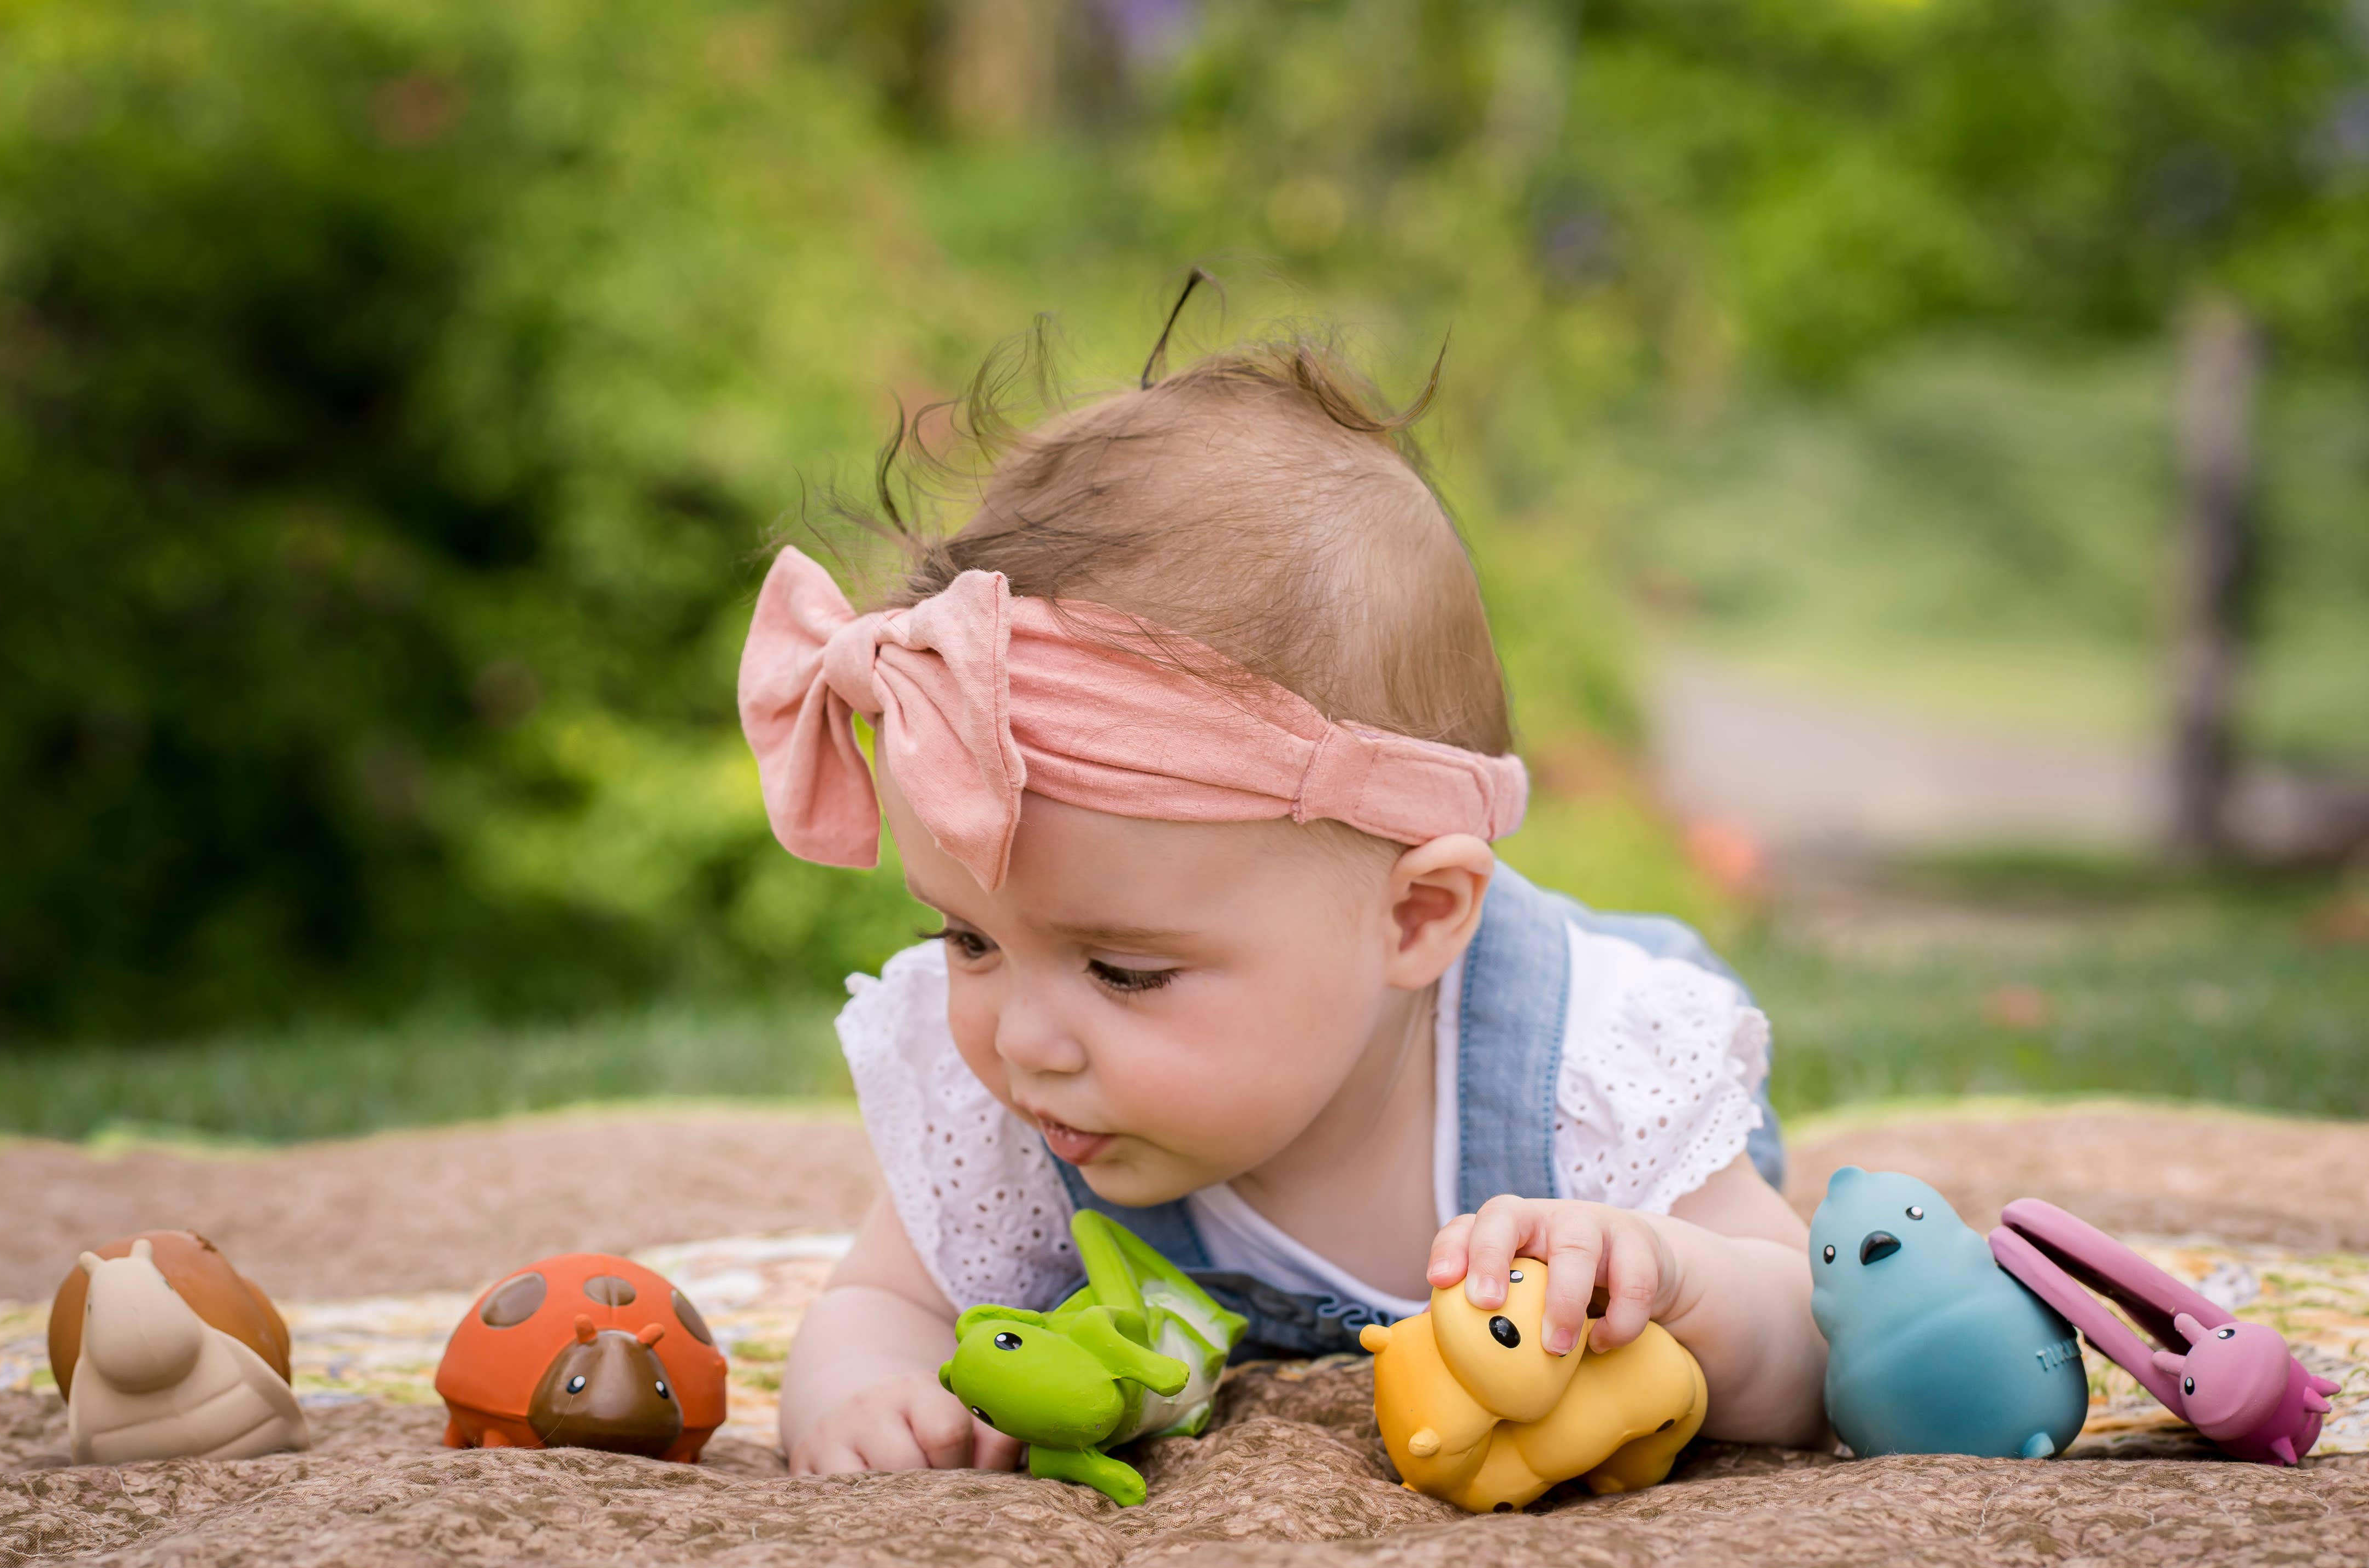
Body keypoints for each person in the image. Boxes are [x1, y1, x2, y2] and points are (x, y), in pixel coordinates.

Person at [740, 325, 1827, 1477]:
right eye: (969, 938)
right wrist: (865, 1399)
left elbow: (1812, 1356)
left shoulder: (1590, 1078)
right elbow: (876, 1301)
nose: (1023, 1040)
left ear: (1415, 918)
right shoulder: (1029, 1113)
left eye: (1123, 971)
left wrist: (1670, 1277)